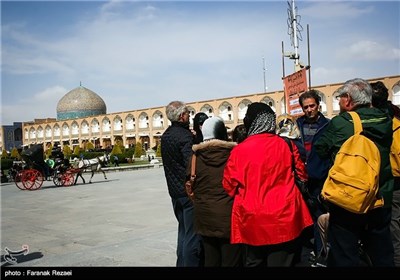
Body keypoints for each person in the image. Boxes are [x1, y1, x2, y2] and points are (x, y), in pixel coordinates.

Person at [314, 78, 394, 267]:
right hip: (380, 197)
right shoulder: (385, 119)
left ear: (348, 99)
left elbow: (320, 148)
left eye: (340, 97)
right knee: (381, 254)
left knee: (345, 254)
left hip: (349, 199)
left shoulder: (342, 122)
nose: (339, 102)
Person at [222, 102, 313, 267]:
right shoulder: (286, 144)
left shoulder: (238, 151)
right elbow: (302, 174)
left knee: (254, 262)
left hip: (251, 218)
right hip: (284, 216)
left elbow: (229, 186)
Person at [186, 116, 242, 267]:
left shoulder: (195, 157)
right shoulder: (234, 154)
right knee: (231, 260)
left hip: (204, 217)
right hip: (228, 218)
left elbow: (189, 181)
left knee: (211, 260)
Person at [161, 100, 203, 267]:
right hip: (188, 193)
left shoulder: (166, 136)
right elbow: (190, 164)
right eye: (187, 113)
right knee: (192, 236)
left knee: (183, 233)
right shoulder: (184, 137)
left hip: (175, 193)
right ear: (181, 116)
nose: (189, 116)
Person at [296, 89, 331, 262]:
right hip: (301, 179)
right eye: (305, 107)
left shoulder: (328, 125)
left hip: (320, 179)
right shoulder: (297, 125)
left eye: (312, 106)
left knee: (319, 216)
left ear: (318, 105)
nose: (309, 110)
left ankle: (321, 253)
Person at [371, 81, 400, 267]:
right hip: (393, 178)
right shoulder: (396, 116)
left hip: (387, 179)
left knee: (391, 224)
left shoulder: (376, 122)